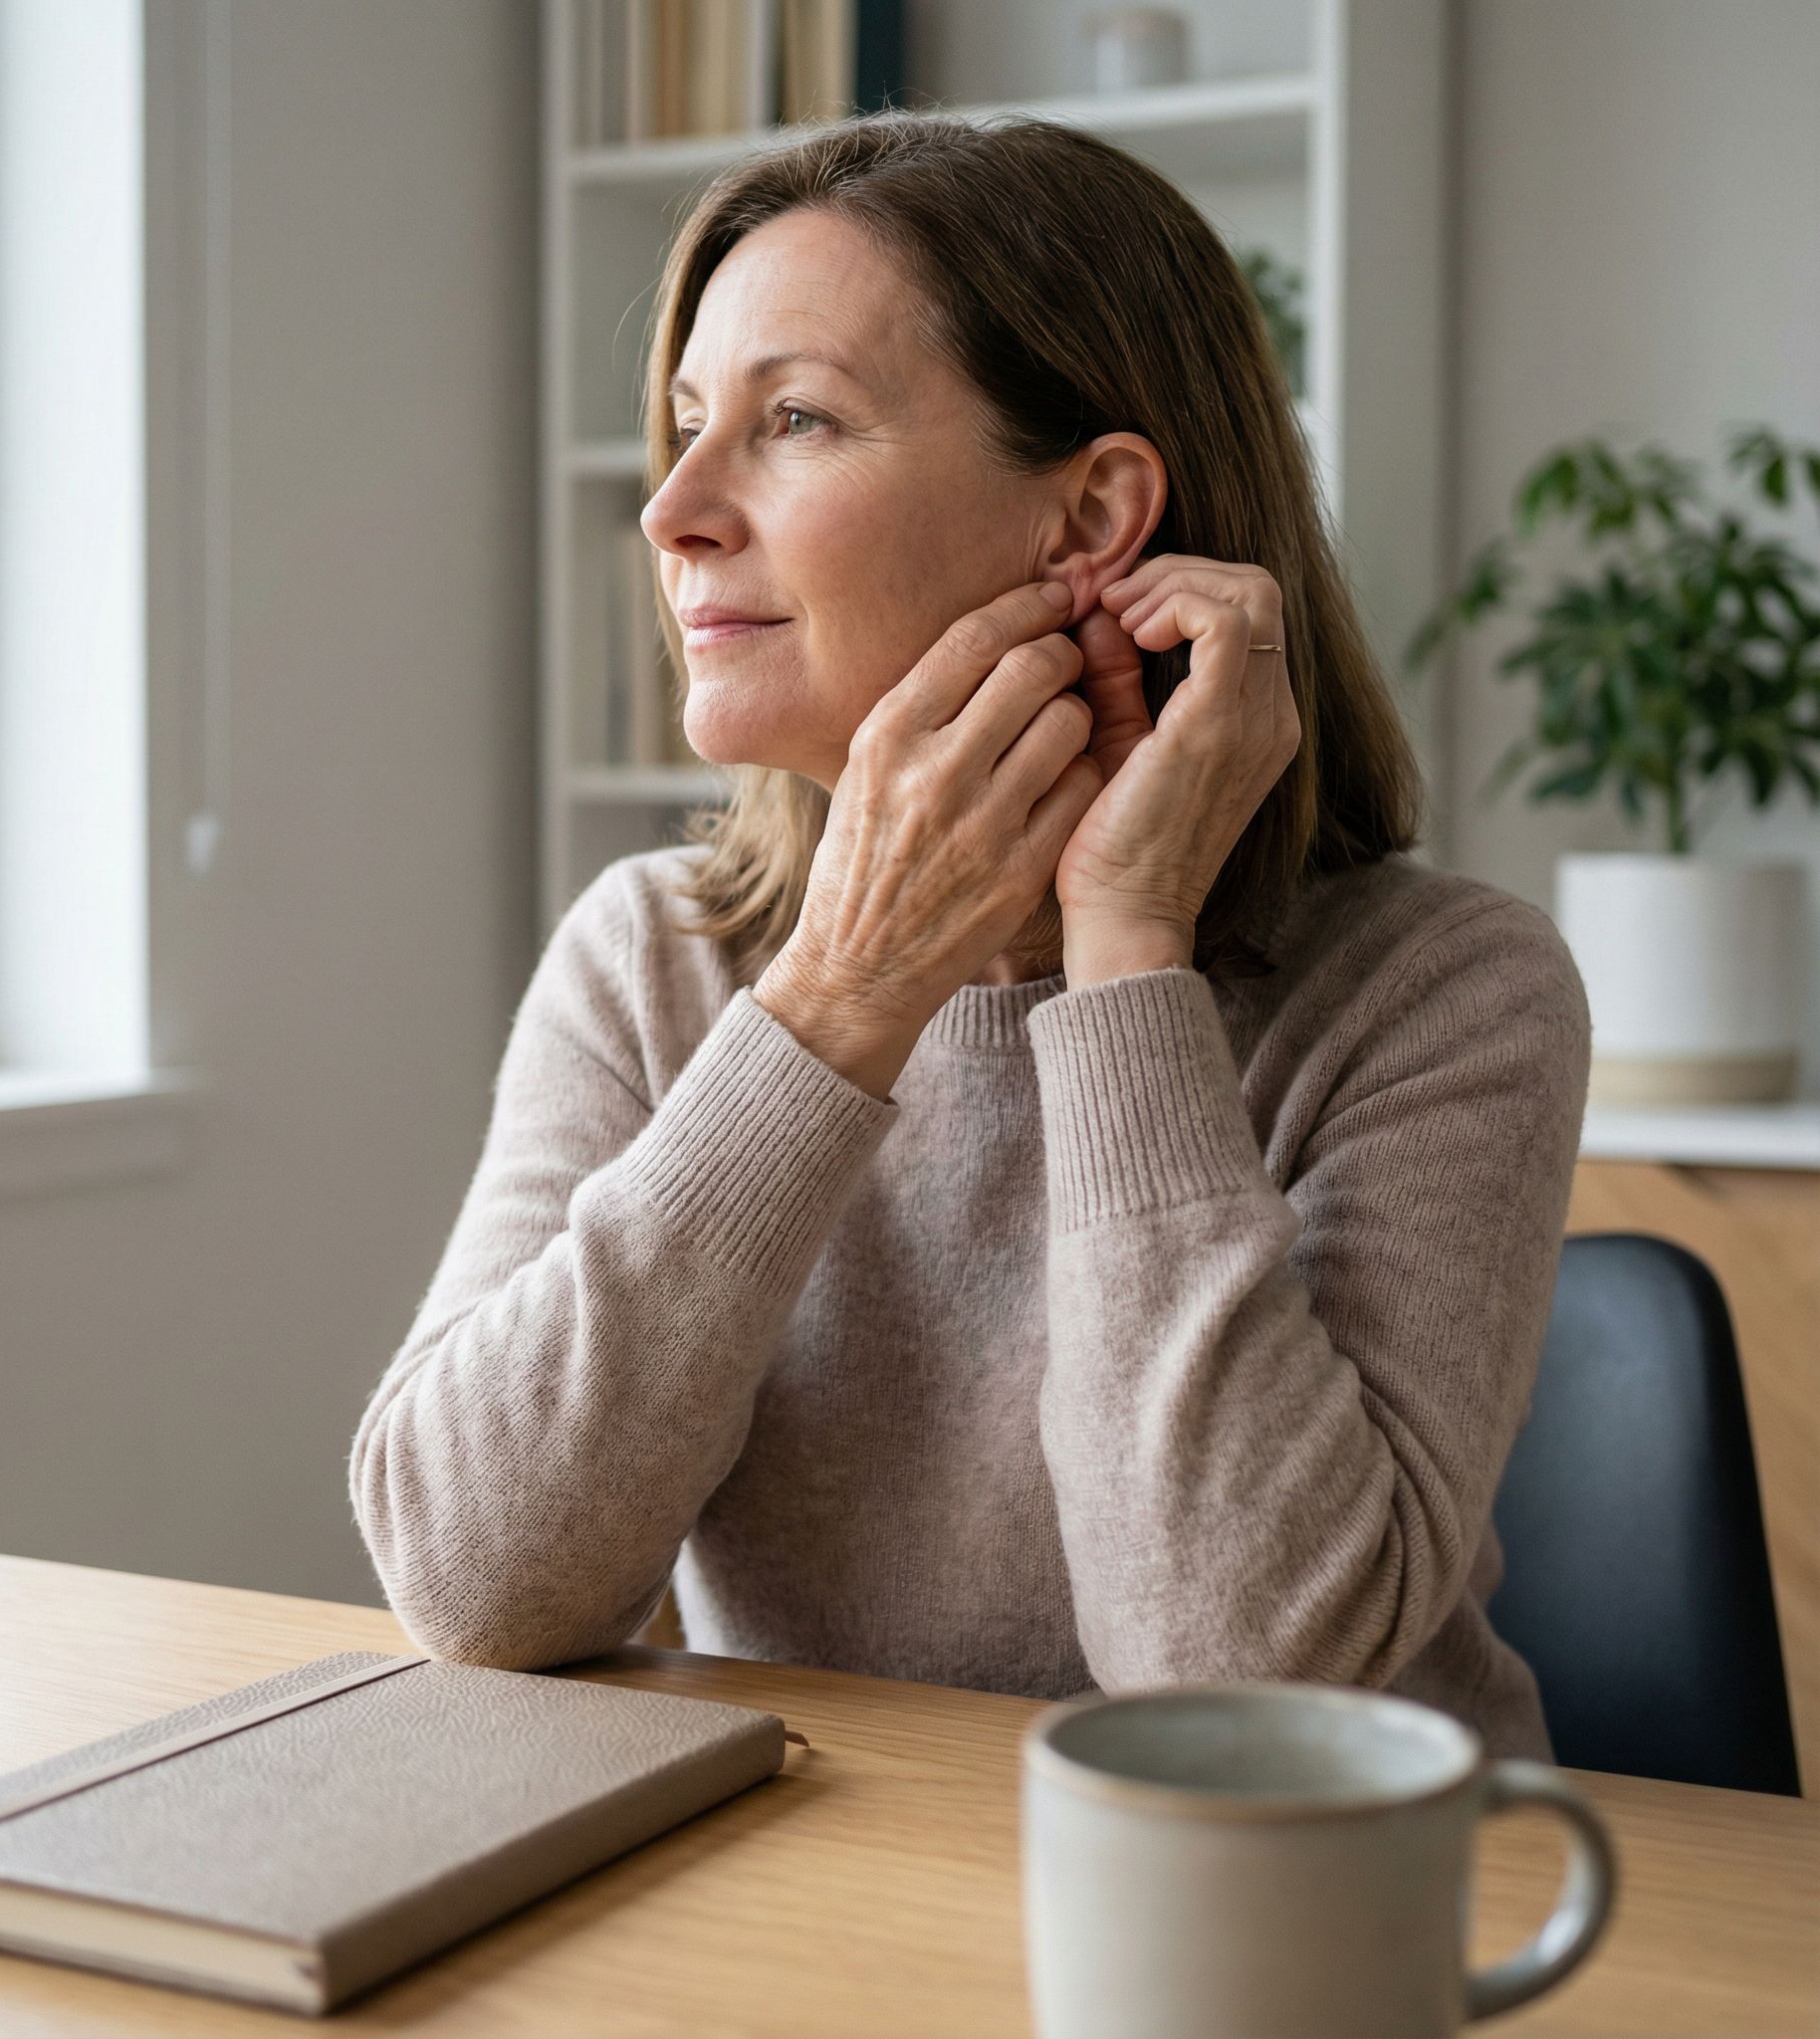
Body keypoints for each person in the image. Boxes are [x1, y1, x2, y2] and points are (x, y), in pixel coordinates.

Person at [347, 113, 1591, 1761]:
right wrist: (841, 996)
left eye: (793, 420)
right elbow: (476, 1584)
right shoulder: (654, 956)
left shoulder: (1445, 996)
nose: (675, 512)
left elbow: (1238, 1681)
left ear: (1090, 519)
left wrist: (1125, 953)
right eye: (685, 425)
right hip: (832, 1918)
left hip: (1316, 1940)